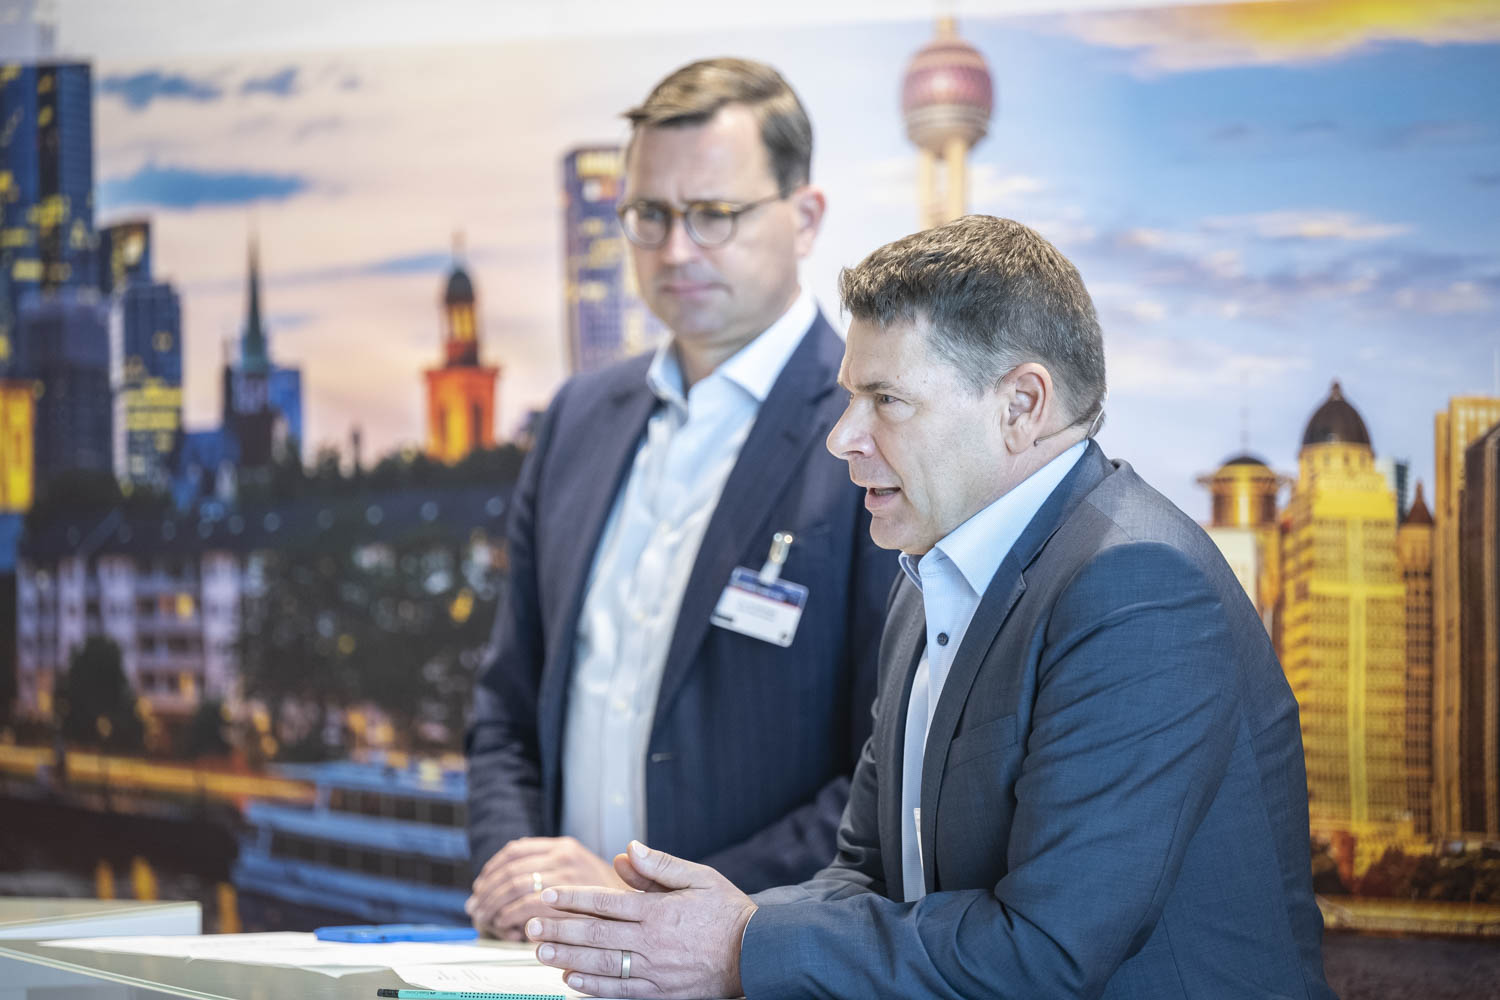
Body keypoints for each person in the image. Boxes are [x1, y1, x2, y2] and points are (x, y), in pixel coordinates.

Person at [525, 215, 1336, 999]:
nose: (844, 437)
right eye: (851, 397)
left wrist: (741, 945)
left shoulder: (1138, 587)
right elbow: (866, 876)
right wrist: (698, 930)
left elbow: (1045, 954)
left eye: (886, 399)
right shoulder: (928, 579)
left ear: (1022, 405)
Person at [463, 58, 897, 942]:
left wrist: (668, 910)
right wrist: (522, 876)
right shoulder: (576, 419)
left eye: (714, 214)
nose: (675, 251)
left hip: (753, 964)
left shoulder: (876, 430)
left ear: (805, 218)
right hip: (550, 958)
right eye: (650, 215)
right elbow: (505, 710)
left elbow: (887, 774)